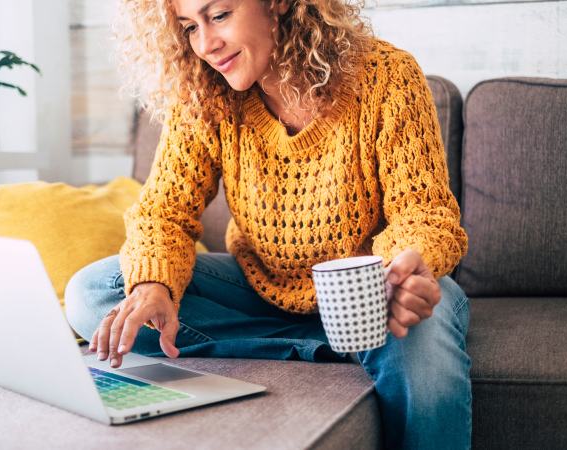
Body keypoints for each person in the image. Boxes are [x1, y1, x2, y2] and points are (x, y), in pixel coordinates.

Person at [65, 0, 471, 448]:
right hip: (262, 290)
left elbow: (425, 215)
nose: (206, 45)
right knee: (93, 292)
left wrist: (399, 274)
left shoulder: (385, 76)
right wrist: (152, 286)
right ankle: (326, 345)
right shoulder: (205, 93)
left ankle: (359, 338)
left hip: (370, 294)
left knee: (422, 330)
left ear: (276, 3)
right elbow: (164, 212)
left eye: (218, 16)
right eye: (188, 28)